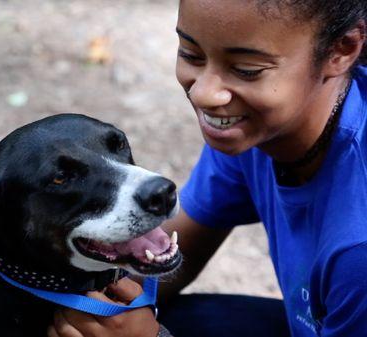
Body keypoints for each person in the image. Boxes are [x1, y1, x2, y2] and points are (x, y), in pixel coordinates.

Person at [47, 0, 367, 336]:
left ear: (341, 50)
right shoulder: (260, 129)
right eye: (191, 54)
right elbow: (169, 259)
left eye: (246, 69)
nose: (204, 93)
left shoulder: (358, 246)